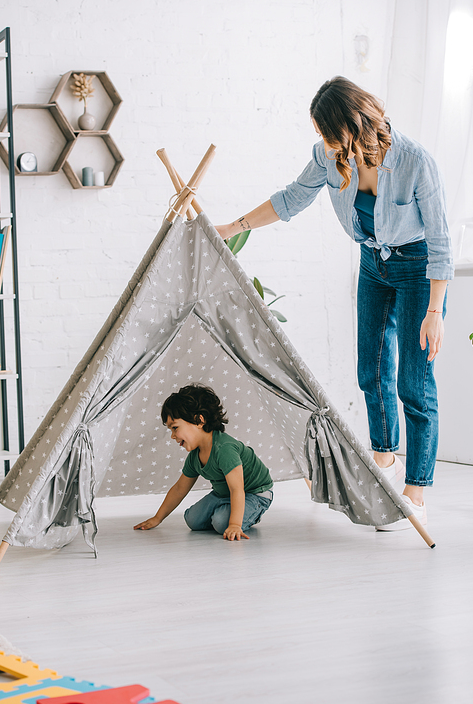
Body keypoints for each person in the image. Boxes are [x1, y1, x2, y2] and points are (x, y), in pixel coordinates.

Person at [215, 76, 454, 531]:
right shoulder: (328, 157)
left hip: (419, 268)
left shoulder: (415, 161)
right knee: (372, 370)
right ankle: (383, 465)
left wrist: (435, 311)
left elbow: (441, 241)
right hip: (373, 265)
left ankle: (416, 491)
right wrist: (232, 227)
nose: (323, 143)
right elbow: (290, 200)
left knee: (415, 384)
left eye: (328, 133)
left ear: (354, 124)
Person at [134, 384, 274, 540]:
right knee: (192, 520)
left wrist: (234, 524)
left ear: (199, 420)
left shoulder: (224, 449)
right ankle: (226, 510)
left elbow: (237, 489)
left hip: (254, 493)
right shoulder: (195, 456)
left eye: (175, 428)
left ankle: (252, 513)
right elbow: (180, 489)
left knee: (221, 523)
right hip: (224, 493)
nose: (173, 436)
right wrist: (157, 518)